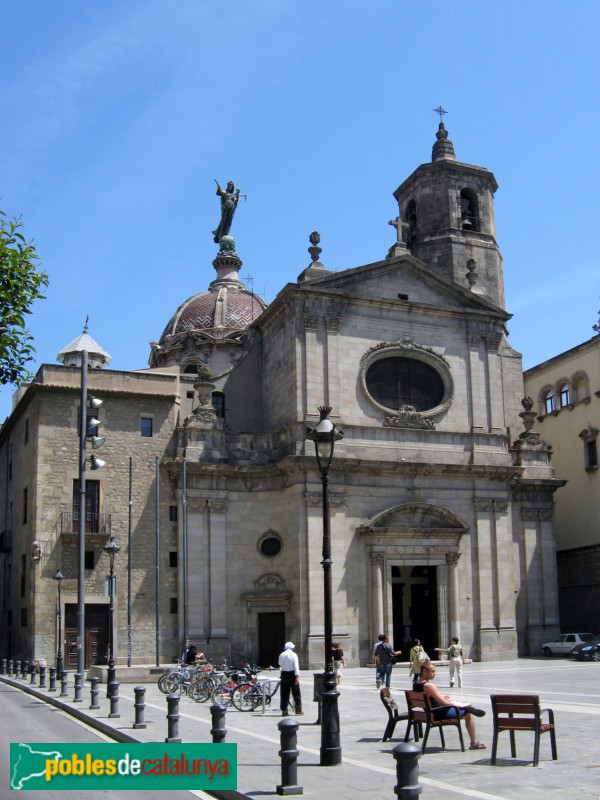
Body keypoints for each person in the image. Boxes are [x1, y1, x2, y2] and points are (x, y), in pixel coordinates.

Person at [415, 661, 486, 750]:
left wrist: (442, 696)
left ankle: (470, 708)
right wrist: (457, 704)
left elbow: (432, 697)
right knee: (469, 714)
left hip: (430, 712)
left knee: (464, 708)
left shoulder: (416, 683)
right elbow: (445, 703)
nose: (435, 674)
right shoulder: (428, 685)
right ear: (424, 671)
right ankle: (474, 742)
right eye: (432, 671)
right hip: (438, 713)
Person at [278, 641, 303, 716]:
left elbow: (279, 663)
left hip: (284, 674)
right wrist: (297, 676)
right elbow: (296, 665)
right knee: (296, 693)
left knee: (284, 693)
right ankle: (298, 709)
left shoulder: (281, 654)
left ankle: (284, 710)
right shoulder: (293, 654)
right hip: (292, 674)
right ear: (292, 647)